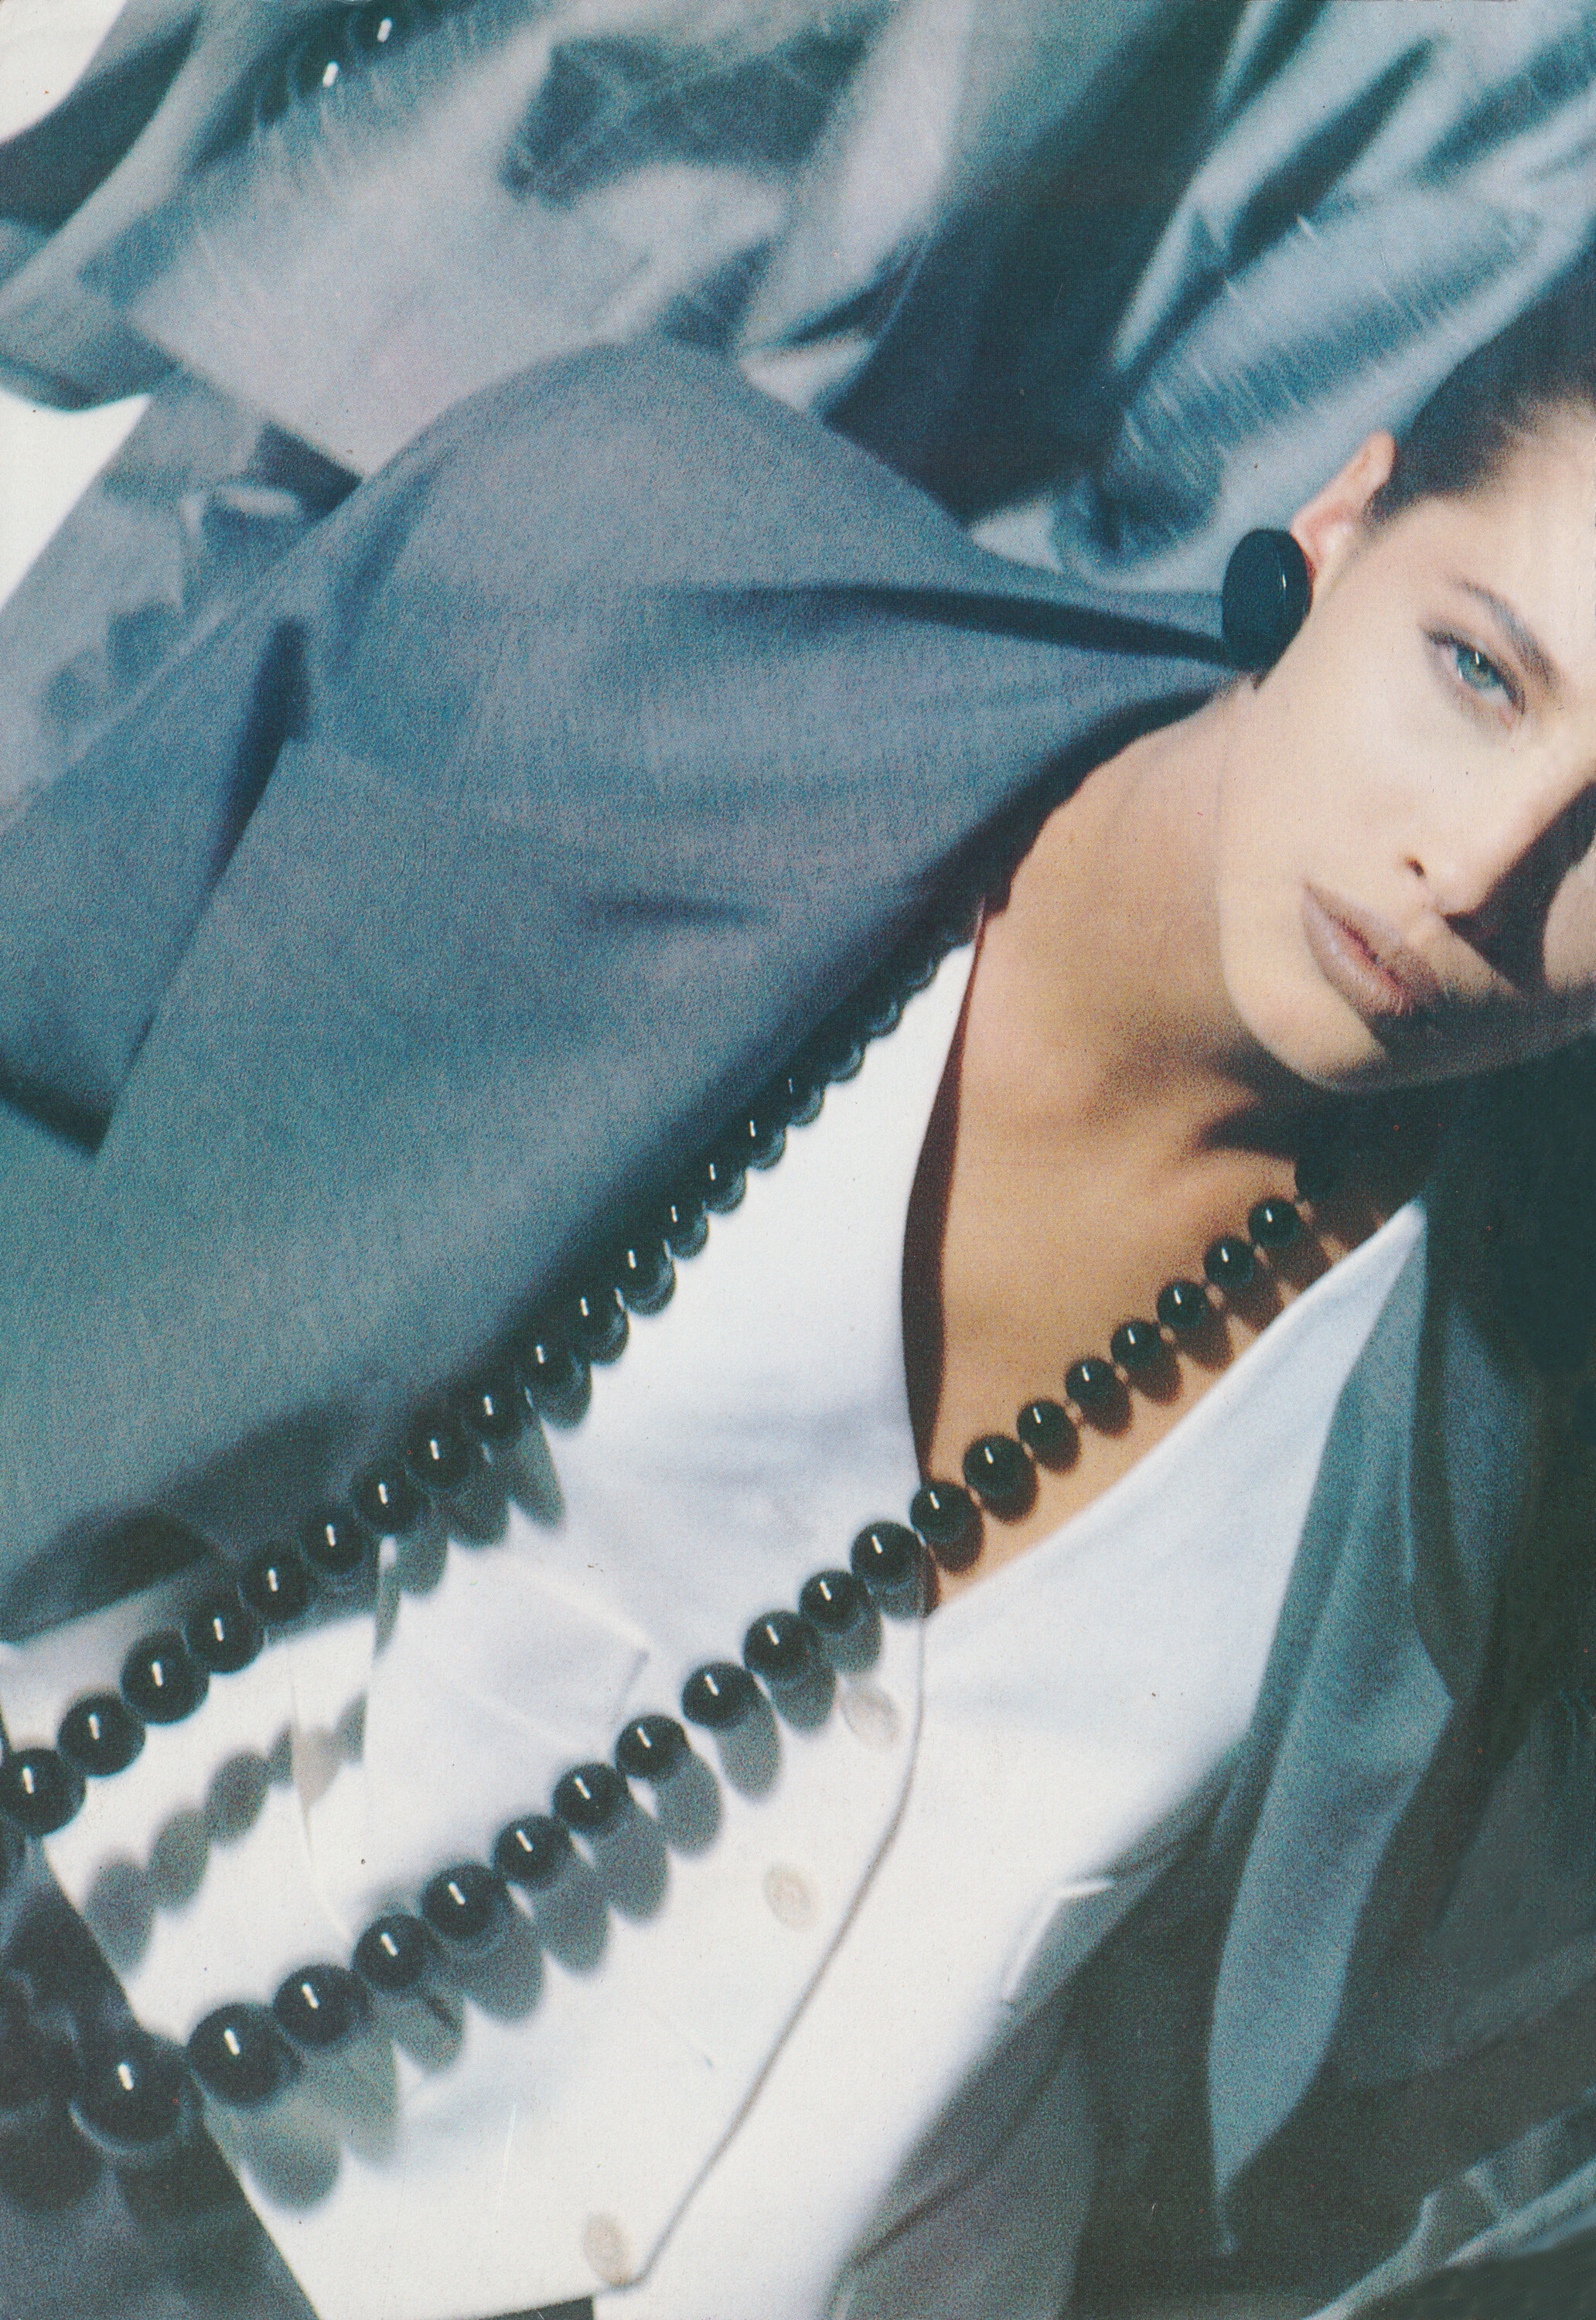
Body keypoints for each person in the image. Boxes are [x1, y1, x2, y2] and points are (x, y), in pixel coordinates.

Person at [1, 249, 1596, 2320]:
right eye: (1478, 671)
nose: (1481, 870)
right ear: (1345, 519)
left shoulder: (1522, 1423)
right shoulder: (630, 605)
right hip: (73, 2068)